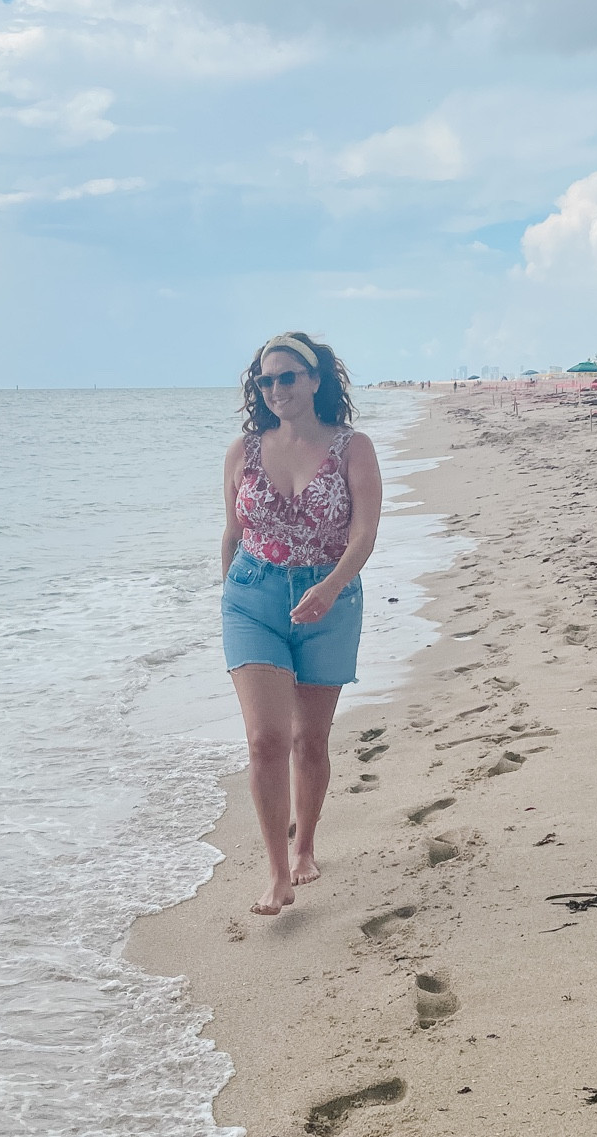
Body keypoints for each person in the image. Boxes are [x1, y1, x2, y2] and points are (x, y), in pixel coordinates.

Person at [221, 332, 383, 916]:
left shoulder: (352, 448)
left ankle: (306, 847)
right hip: (253, 599)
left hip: (330, 599)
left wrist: (331, 586)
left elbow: (364, 533)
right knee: (265, 739)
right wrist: (230, 594)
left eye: (287, 376)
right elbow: (233, 532)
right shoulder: (243, 450)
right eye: (266, 380)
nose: (276, 388)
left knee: (308, 740)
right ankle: (275, 873)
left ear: (315, 380)